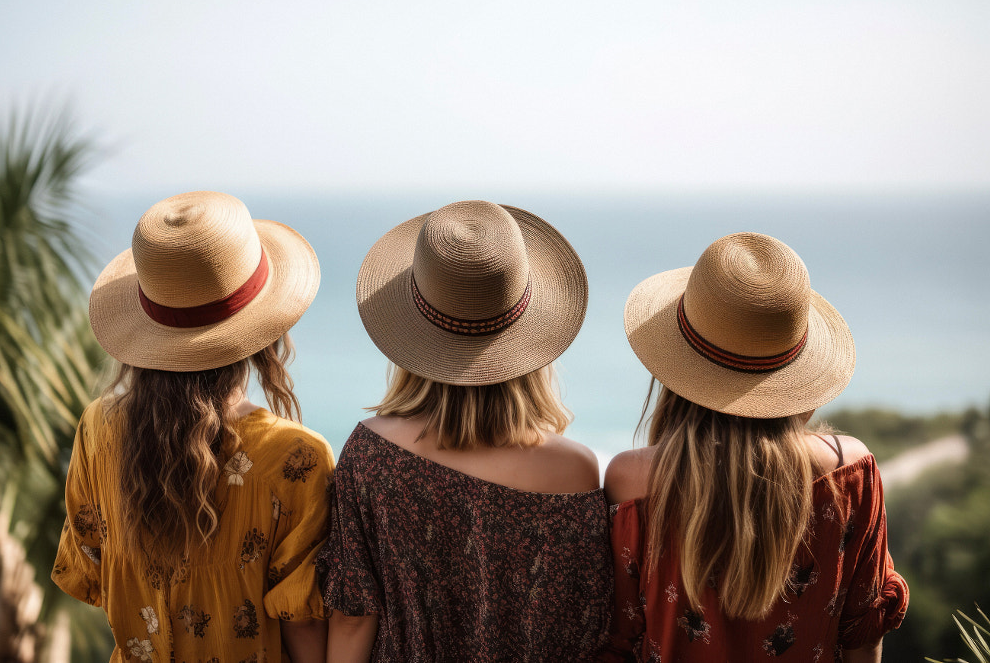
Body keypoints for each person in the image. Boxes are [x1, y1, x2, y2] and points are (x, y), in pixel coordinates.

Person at [316, 200, 612, 662]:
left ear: (412, 338)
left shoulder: (369, 454)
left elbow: (353, 617)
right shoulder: (576, 470)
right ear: (530, 343)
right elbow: (582, 631)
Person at [600, 232, 908, 662]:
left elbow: (620, 639)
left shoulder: (632, 480)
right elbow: (863, 635)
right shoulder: (850, 470)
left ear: (675, 367)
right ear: (795, 370)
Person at [52, 191, 333, 662]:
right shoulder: (295, 459)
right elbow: (301, 624)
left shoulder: (99, 430)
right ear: (266, 332)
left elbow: (91, 569)